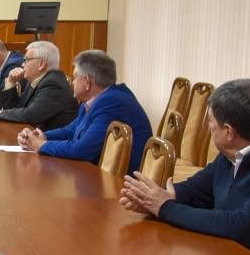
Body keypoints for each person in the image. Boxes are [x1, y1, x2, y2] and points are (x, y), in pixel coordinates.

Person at [120, 79, 250, 255]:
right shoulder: (239, 146)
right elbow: (197, 190)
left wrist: (165, 207)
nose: (208, 127)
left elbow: (241, 226)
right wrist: (156, 198)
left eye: (210, 121)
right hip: (221, 253)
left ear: (228, 132)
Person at [17, 50, 153, 172]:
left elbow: (83, 149)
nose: (72, 82)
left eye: (75, 77)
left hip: (122, 184)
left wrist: (42, 145)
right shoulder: (92, 101)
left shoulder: (111, 102)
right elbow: (70, 131)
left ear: (87, 81)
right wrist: (39, 136)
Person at [0, 40, 78, 130]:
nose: (22, 64)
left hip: (50, 138)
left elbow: (31, 115)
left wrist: (0, 114)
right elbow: (16, 108)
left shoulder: (53, 84)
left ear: (41, 64)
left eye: (26, 60)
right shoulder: (36, 80)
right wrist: (11, 82)